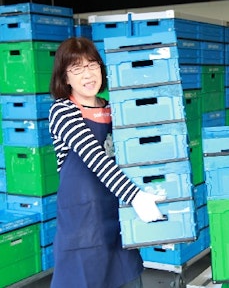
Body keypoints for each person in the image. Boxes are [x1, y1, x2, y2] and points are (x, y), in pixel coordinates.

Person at [48, 37, 166, 288]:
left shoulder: (115, 110)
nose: (87, 74)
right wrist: (136, 196)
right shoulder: (62, 111)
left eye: (92, 65)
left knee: (129, 281)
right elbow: (95, 157)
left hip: (118, 219)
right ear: (65, 77)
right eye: (77, 68)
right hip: (82, 227)